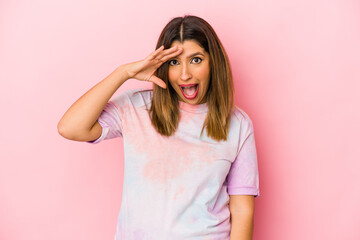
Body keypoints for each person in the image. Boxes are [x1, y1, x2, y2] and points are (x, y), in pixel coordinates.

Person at [58, 15, 260, 240]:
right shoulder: (137, 107)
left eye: (196, 60)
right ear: (163, 66)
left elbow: (242, 211)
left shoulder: (238, 124)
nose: (185, 74)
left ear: (214, 62)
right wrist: (123, 73)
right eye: (174, 62)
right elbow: (70, 127)